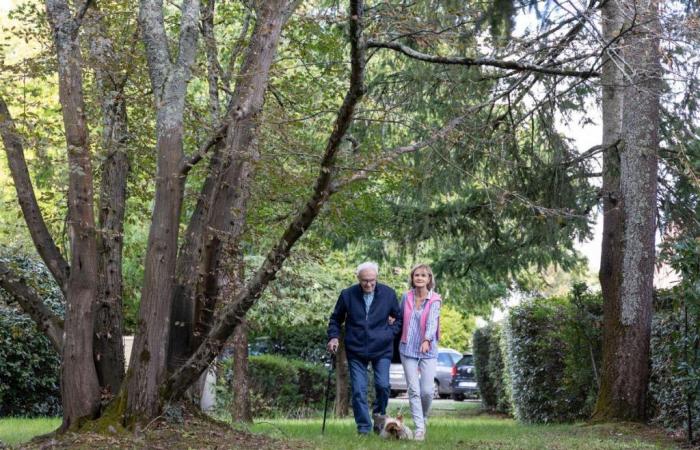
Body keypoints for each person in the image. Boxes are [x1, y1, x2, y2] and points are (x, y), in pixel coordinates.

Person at [327, 261, 402, 435]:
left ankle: (379, 417)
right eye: (364, 281)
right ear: (358, 279)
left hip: (382, 349)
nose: (368, 284)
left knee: (383, 386)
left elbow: (398, 319)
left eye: (372, 281)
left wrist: (389, 333)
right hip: (356, 349)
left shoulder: (388, 294)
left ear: (376, 278)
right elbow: (335, 319)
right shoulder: (347, 295)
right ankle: (364, 429)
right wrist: (333, 337)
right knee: (359, 391)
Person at [398, 263, 442, 441]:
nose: (420, 278)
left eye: (424, 275)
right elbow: (400, 316)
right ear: (412, 278)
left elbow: (432, 322)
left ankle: (423, 417)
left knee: (426, 391)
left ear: (429, 279)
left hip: (428, 349)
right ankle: (419, 429)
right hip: (407, 348)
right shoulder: (406, 297)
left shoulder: (435, 299)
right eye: (417, 275)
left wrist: (426, 340)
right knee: (414, 391)